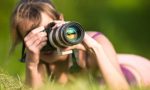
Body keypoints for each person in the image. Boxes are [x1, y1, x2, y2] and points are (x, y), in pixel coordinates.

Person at [10, 0, 150, 90]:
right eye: (34, 36)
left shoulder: (93, 42)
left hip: (138, 71)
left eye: (47, 30)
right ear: (24, 41)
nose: (45, 39)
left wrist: (95, 48)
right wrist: (31, 64)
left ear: (61, 20)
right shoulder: (38, 57)